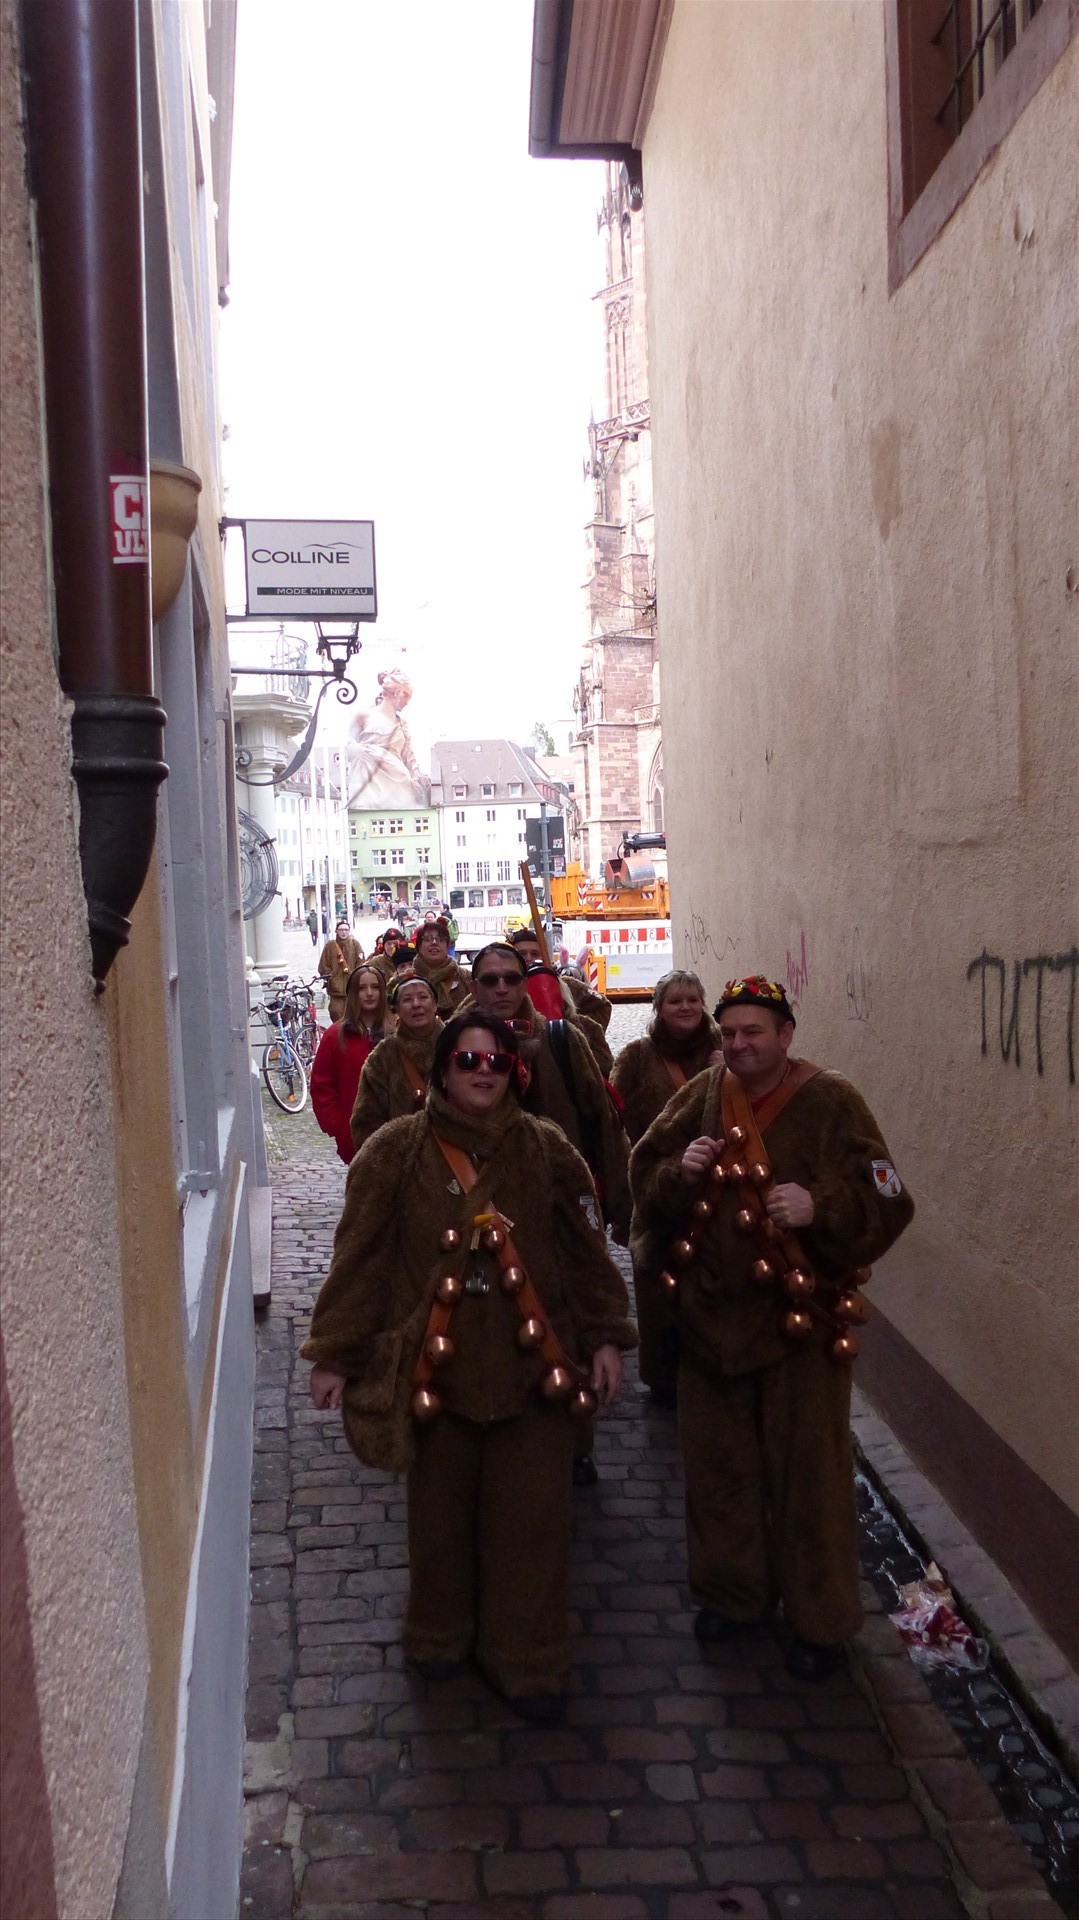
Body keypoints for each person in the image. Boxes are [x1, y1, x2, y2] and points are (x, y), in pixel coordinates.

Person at [303, 1012, 636, 1725]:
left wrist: (606, 1337)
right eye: (467, 1060)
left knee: (533, 1525)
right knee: (440, 1521)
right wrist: (336, 1352)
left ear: (514, 1072)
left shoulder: (548, 1150)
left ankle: (528, 1658)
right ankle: (440, 1635)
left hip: (532, 1371)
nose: (483, 1072)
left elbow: (586, 1254)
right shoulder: (395, 1151)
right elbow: (359, 1257)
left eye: (496, 1062)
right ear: (444, 1069)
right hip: (438, 1374)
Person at [629, 974, 914, 1681]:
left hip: (799, 1330)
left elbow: (891, 1198)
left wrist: (821, 1206)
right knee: (719, 1472)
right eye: (728, 1033)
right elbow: (643, 1171)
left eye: (753, 1031)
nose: (738, 1045)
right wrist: (678, 1172)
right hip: (710, 1325)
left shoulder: (832, 1100)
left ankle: (820, 1620)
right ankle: (731, 1597)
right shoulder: (702, 1094)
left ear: (785, 1034)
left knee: (808, 1478)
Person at [611, 970, 721, 1405]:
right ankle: (663, 1380)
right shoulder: (638, 1055)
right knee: (657, 1281)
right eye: (675, 1001)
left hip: (713, 1185)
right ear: (658, 1008)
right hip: (657, 1183)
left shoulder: (722, 1051)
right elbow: (612, 1112)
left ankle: (707, 1370)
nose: (685, 1007)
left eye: (693, 999)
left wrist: (725, 1071)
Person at [350, 975, 442, 1153]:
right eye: (407, 999)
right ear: (396, 1009)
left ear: (435, 1004)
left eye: (423, 997)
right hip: (405, 1159)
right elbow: (365, 1123)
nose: (416, 1004)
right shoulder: (382, 1057)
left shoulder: (458, 1044)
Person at [309, 965, 389, 1165]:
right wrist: (337, 1125)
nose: (369, 993)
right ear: (353, 993)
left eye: (375, 987)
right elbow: (322, 1085)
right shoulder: (335, 1036)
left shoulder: (396, 1032)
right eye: (362, 988)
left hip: (394, 1132)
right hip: (353, 1135)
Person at [507, 928, 614, 1075]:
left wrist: (577, 1030)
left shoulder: (564, 984)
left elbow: (602, 1005)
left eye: (535, 953)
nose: (528, 958)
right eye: (522, 954)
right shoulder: (502, 987)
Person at [412, 917, 471, 1017]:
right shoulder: (407, 978)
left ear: (447, 946)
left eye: (441, 939)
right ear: (419, 947)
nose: (434, 943)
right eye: (428, 939)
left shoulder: (465, 977)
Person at [317, 919, 365, 1022]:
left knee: (353, 1015)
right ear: (336, 931)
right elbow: (323, 965)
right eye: (341, 930)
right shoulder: (330, 946)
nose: (343, 932)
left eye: (346, 930)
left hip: (352, 988)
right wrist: (332, 976)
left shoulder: (355, 944)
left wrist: (356, 977)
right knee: (336, 1012)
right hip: (336, 990)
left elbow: (361, 963)